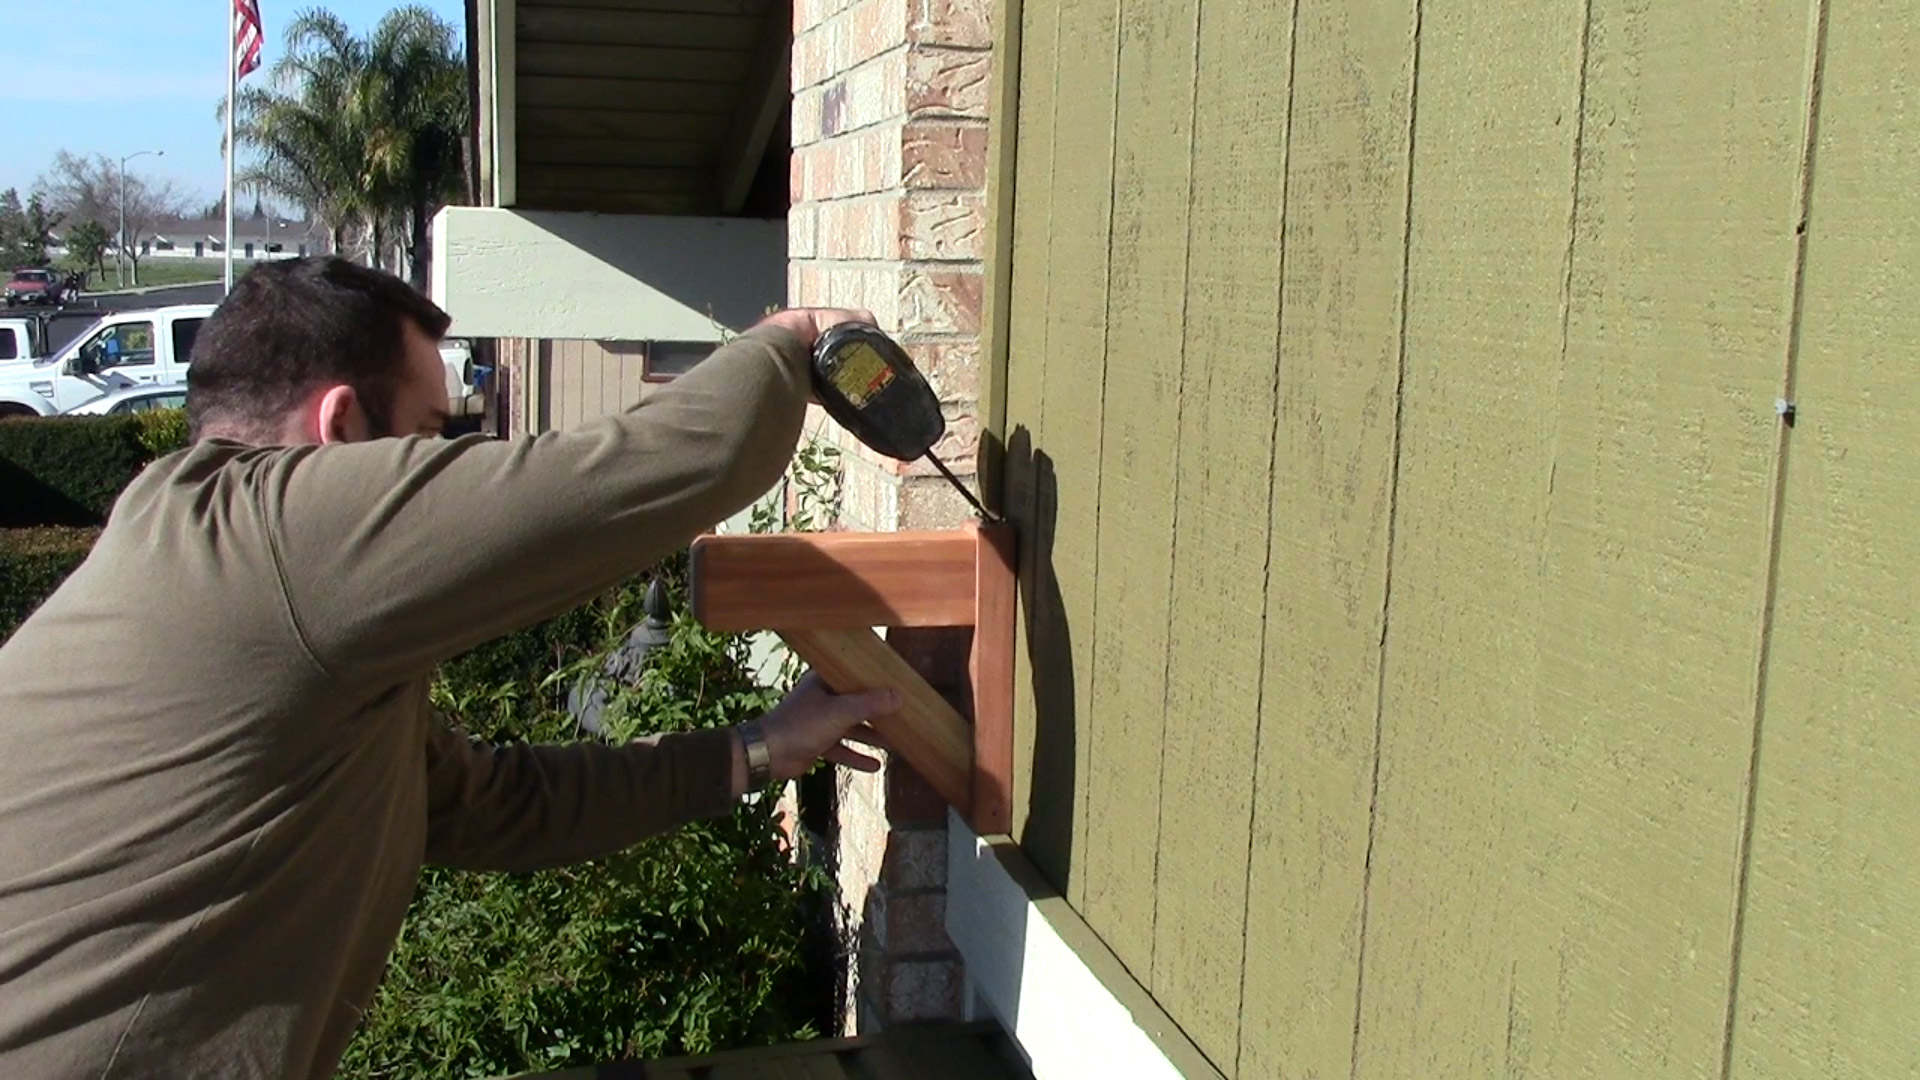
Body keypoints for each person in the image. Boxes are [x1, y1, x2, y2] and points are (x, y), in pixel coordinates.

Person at [0, 256, 894, 1079]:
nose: (436, 466)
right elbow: (649, 471)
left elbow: (489, 806)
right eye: (428, 438)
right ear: (340, 424)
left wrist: (767, 746)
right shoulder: (268, 536)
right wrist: (791, 343)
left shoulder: (227, 582)